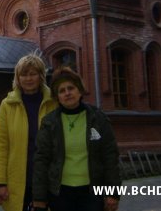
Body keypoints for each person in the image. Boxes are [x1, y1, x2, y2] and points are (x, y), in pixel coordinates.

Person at [32, 67, 121, 211]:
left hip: (92, 194)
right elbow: (41, 160)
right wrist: (39, 198)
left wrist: (113, 193)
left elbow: (110, 157)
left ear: (79, 90)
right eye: (61, 91)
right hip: (60, 194)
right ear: (57, 97)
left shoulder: (98, 119)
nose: (67, 93)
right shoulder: (49, 123)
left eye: (71, 88)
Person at [0, 54, 58, 211]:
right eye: (24, 74)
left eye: (33, 74)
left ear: (41, 75)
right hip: (18, 179)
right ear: (17, 77)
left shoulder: (54, 102)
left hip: (49, 178)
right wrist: (0, 182)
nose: (28, 78)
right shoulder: (7, 105)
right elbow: (0, 146)